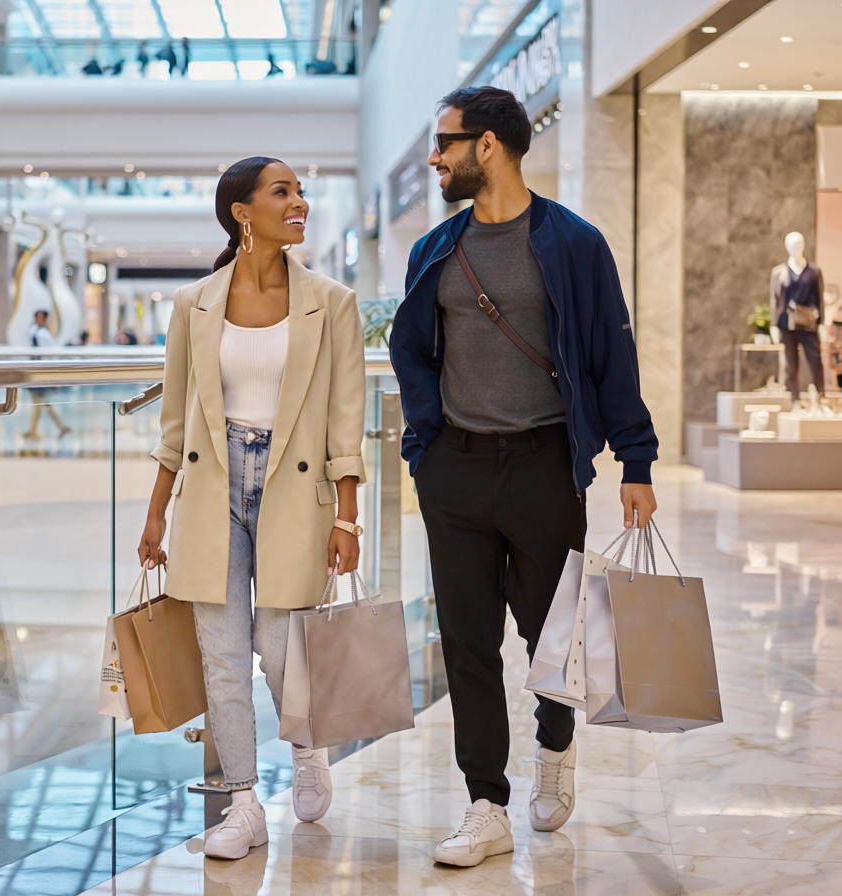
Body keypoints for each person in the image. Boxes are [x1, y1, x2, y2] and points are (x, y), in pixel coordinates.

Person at [388, 86, 659, 869]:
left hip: (544, 467)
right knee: (468, 644)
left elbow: (612, 355)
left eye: (446, 142)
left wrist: (634, 459)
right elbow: (415, 353)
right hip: (457, 471)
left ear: (490, 147)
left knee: (552, 637)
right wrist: (424, 448)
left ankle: (555, 742)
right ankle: (485, 804)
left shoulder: (574, 243)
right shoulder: (434, 249)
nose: (435, 158)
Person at [138, 157, 366, 860]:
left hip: (297, 490)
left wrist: (348, 516)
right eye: (283, 192)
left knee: (278, 646)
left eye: (301, 192)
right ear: (243, 211)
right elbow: (176, 424)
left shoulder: (332, 303)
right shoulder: (194, 305)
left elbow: (345, 419)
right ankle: (243, 804)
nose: (299, 201)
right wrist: (155, 515)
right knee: (223, 658)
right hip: (212, 491)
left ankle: (307, 746)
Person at [23, 309, 71, 441]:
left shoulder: (43, 334)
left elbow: (49, 355)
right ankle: (59, 427)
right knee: (41, 402)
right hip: (36, 371)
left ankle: (35, 431)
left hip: (41, 372)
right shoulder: (35, 332)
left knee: (40, 402)